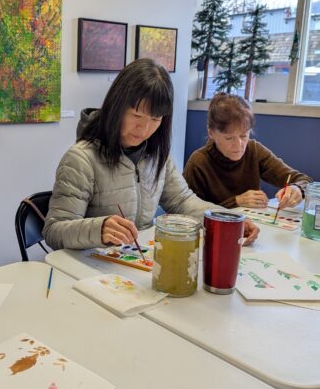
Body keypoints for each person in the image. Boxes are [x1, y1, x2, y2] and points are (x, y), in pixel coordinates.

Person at [43, 58, 259, 251]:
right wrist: (99, 229)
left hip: (135, 262)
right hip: (91, 268)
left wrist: (229, 220)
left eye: (156, 119)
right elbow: (54, 231)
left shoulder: (157, 155)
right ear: (116, 108)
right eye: (137, 115)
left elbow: (183, 201)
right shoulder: (81, 159)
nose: (144, 129)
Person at [183, 93, 313, 209]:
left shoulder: (254, 150)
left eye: (244, 135)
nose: (238, 145)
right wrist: (236, 202)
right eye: (229, 138)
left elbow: (304, 180)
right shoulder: (198, 162)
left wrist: (297, 189)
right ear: (211, 133)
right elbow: (187, 211)